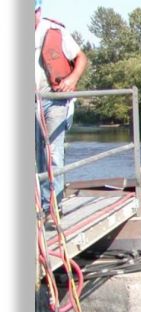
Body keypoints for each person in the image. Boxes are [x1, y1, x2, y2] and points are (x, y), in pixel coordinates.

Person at [34, 0, 88, 227]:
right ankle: (38, 206)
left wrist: (72, 79)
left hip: (54, 99)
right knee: (34, 155)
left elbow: (81, 58)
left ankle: (53, 209)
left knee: (52, 154)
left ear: (38, 10)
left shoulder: (54, 31)